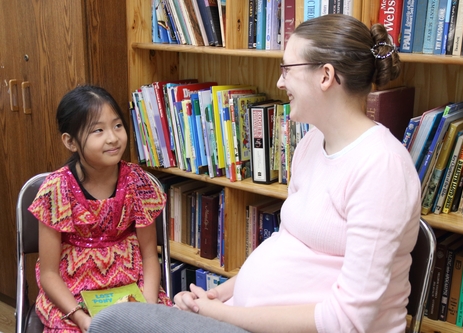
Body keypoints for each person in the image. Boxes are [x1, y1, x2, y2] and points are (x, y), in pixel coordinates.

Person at [88, 13, 421, 333]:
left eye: (287, 69)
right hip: (241, 315)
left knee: (114, 323)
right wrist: (226, 293)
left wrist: (220, 314)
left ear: (325, 76)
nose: (280, 81)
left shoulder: (381, 168)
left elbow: (347, 320)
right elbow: (291, 241)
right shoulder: (312, 141)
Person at [29, 85, 173, 333]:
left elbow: (150, 256)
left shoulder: (138, 182)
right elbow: (49, 274)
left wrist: (148, 308)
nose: (113, 137)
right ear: (70, 142)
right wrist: (80, 318)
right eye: (98, 130)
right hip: (73, 297)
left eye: (117, 125)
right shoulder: (56, 189)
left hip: (132, 288)